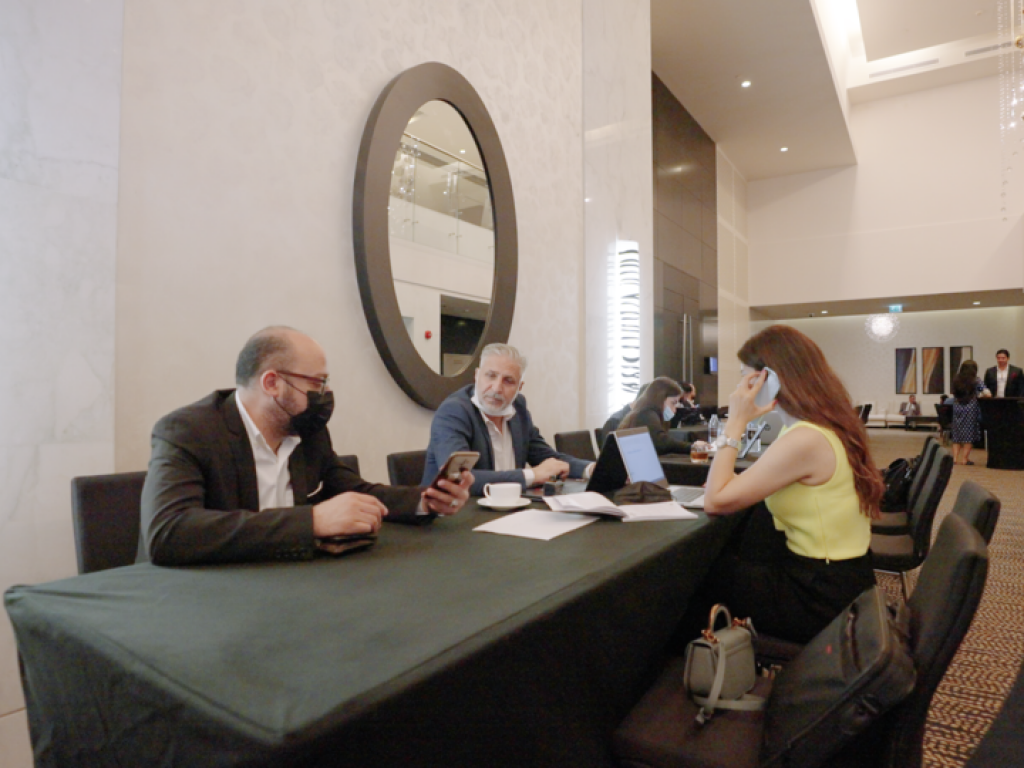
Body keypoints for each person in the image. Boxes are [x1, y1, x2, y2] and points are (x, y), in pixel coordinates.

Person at [139, 326, 472, 566]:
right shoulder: (187, 431)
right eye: (316, 383)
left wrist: (425, 501)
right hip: (196, 595)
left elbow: (352, 489)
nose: (324, 396)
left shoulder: (307, 430)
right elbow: (170, 532)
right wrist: (311, 521)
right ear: (272, 382)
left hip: (285, 580)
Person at [698, 325, 883, 644]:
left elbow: (715, 500)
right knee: (721, 566)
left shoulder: (806, 438)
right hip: (840, 577)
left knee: (697, 578)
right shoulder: (819, 428)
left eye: (745, 378)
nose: (740, 389)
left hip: (819, 594)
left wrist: (736, 422)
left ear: (769, 379)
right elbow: (740, 485)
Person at [422, 343, 594, 496]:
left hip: (510, 508)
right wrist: (533, 475)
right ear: (476, 375)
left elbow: (546, 457)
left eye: (508, 381)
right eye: (491, 376)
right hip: (453, 515)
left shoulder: (518, 407)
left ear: (519, 387)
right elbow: (458, 478)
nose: (497, 388)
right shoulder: (454, 411)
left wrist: (591, 469)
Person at [618, 377, 693, 455]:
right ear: (660, 399)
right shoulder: (647, 414)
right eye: (673, 403)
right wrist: (692, 447)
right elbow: (662, 442)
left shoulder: (646, 413)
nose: (675, 409)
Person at [950, 370, 982, 466]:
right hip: (970, 407)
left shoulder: (956, 380)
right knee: (969, 434)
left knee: (956, 434)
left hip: (957, 406)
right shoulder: (976, 380)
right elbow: (985, 391)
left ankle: (955, 458)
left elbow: (953, 392)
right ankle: (964, 459)